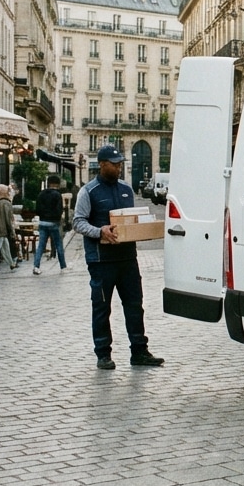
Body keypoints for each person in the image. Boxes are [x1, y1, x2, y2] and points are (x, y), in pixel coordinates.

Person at [74, 145, 164, 369]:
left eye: (120, 163)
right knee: (102, 307)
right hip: (101, 260)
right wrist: (99, 231)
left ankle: (139, 351)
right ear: (102, 164)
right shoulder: (89, 191)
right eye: (114, 164)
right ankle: (103, 354)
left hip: (127, 258)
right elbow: (78, 221)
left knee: (135, 305)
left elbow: (130, 221)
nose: (118, 167)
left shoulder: (126, 189)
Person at [33, 175, 68, 275]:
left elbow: (37, 210)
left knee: (41, 246)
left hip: (43, 222)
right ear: (57, 184)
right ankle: (63, 267)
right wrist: (57, 218)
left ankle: (36, 266)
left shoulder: (41, 194)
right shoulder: (57, 195)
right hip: (54, 223)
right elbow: (59, 210)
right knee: (58, 245)